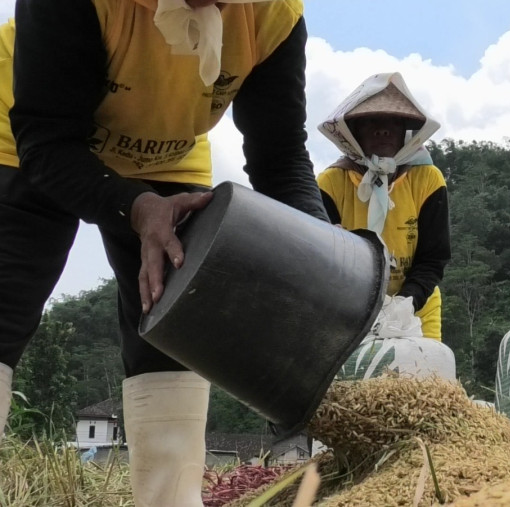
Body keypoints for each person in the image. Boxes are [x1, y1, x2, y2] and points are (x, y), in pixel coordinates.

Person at [0, 0, 327, 504]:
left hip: (167, 147)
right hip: (28, 138)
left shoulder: (271, 15)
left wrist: (325, 252)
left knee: (174, 316)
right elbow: (46, 141)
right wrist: (134, 206)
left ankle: (171, 498)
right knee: (6, 299)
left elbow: (280, 156)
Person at [317, 72, 450, 340]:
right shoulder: (330, 182)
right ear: (353, 132)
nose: (383, 129)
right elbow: (323, 262)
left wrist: (404, 303)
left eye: (392, 121)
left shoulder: (427, 179)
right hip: (348, 310)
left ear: (405, 131)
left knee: (418, 378)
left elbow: (432, 259)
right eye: (371, 122)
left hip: (416, 308)